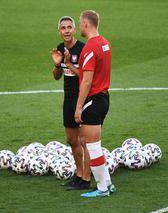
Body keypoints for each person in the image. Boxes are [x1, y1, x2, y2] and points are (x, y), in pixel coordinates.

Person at [74, 10, 116, 198]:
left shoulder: (90, 47)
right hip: (104, 98)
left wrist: (78, 107)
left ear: (86, 24)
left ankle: (102, 188)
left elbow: (87, 81)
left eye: (80, 23)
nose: (79, 26)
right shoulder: (105, 43)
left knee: (92, 146)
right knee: (89, 142)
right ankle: (107, 182)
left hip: (93, 100)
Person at [50, 16, 91, 190]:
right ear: (59, 31)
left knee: (84, 140)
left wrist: (68, 63)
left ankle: (86, 179)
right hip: (68, 99)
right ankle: (79, 174)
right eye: (63, 28)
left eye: (69, 27)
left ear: (74, 30)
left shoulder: (83, 49)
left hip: (83, 98)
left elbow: (85, 76)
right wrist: (59, 65)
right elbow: (56, 76)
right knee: (71, 140)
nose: (66, 30)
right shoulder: (60, 48)